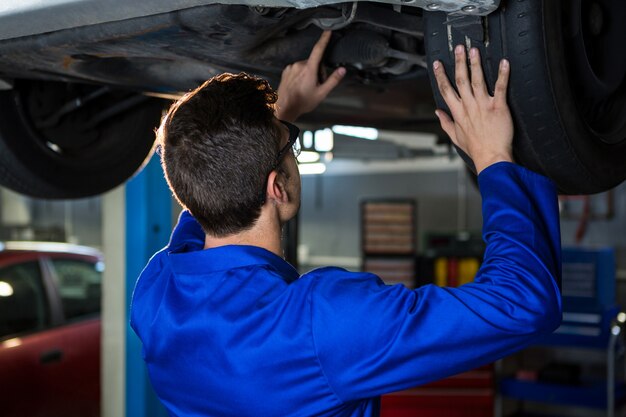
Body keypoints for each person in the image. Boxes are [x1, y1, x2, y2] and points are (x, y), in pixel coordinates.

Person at [130, 31, 562, 417]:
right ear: (277, 186)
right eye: (290, 146)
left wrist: (279, 118)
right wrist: (493, 159)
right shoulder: (320, 324)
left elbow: (213, 188)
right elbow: (523, 304)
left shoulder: (155, 293)